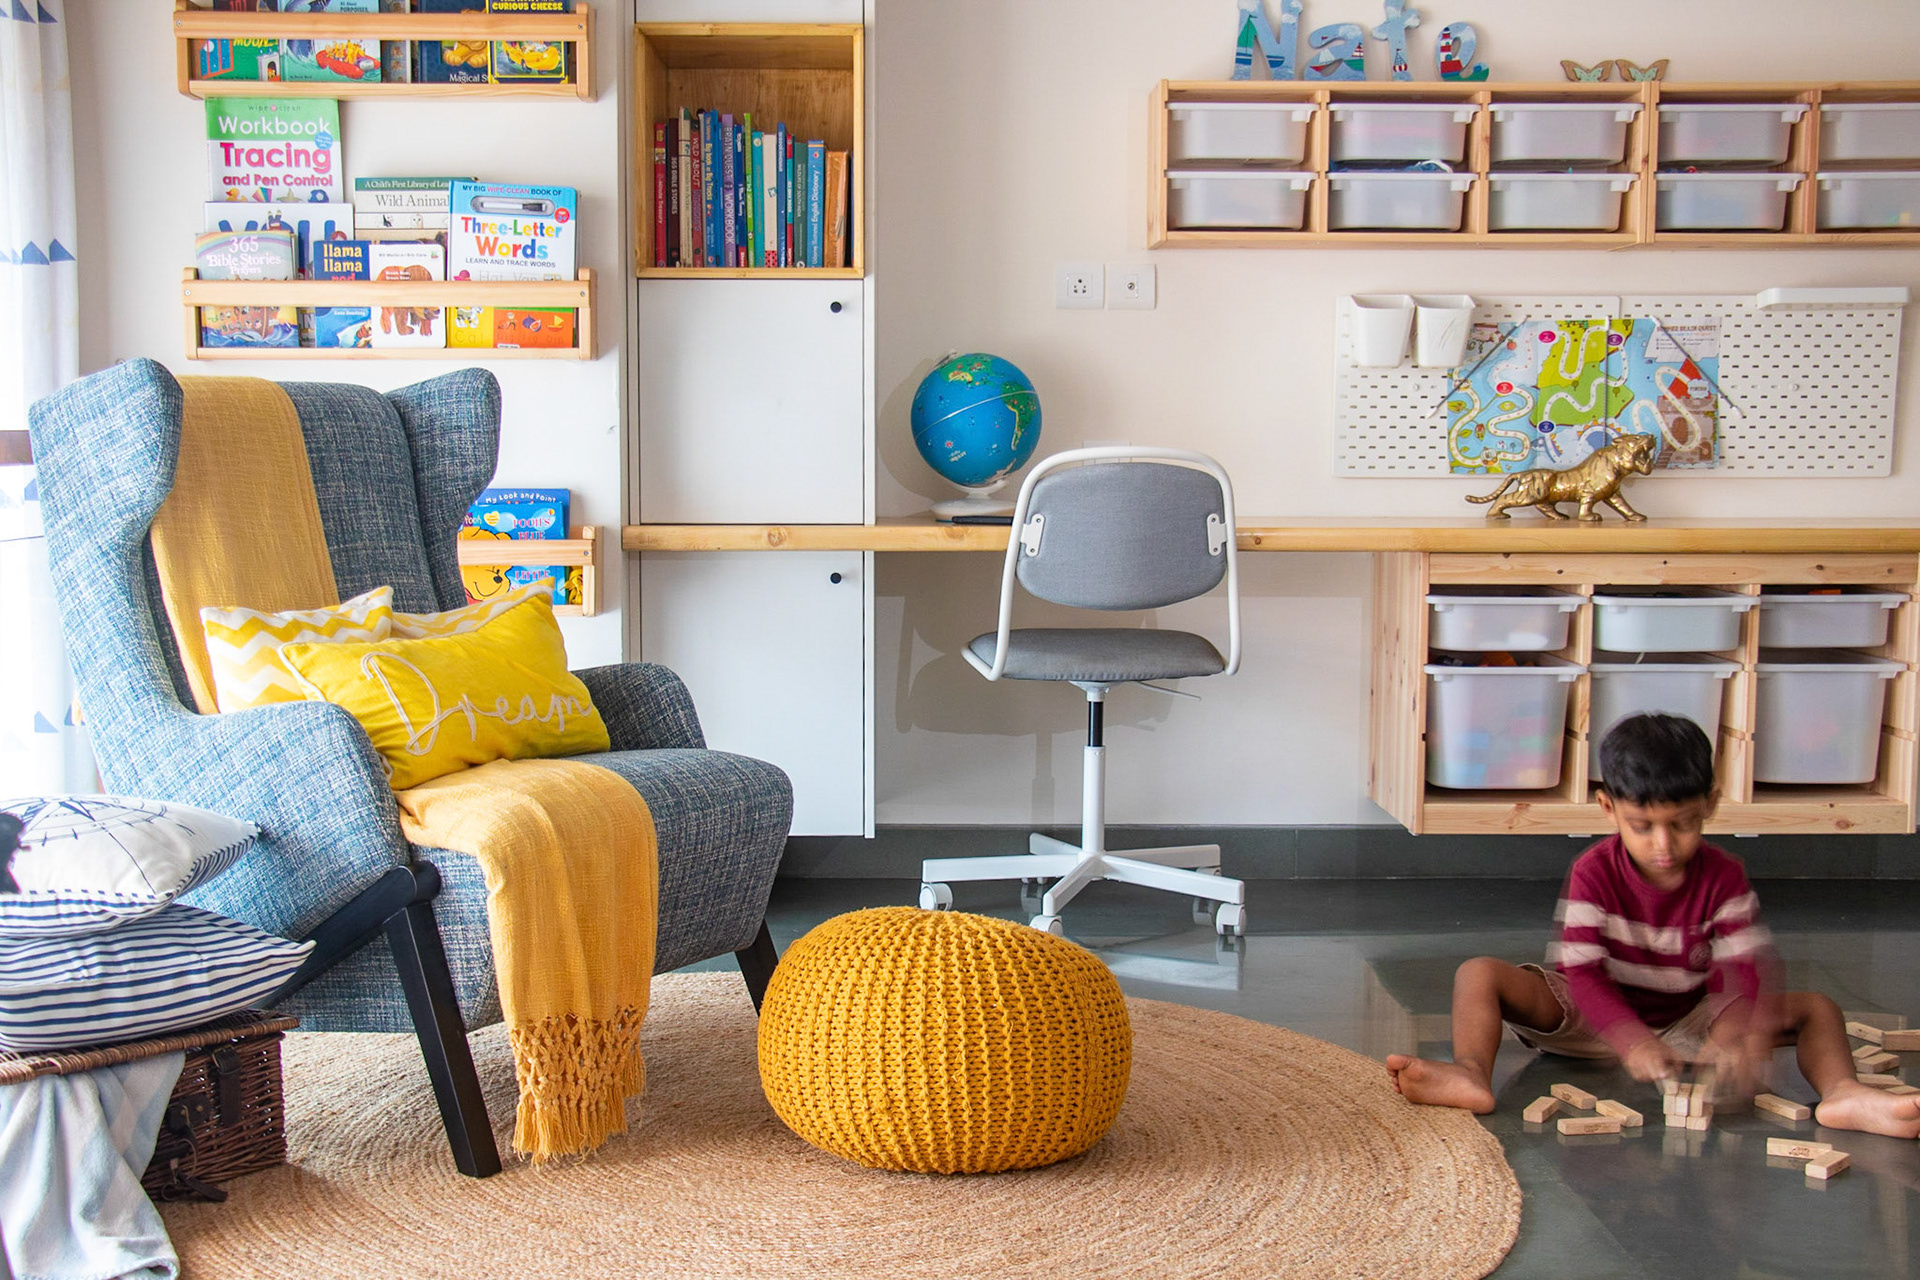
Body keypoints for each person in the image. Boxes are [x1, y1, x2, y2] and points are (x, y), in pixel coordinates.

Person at [1385, 712, 1920, 1139]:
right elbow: (1584, 975)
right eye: (1642, 827)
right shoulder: (1593, 872)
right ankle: (1471, 1073)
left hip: (1689, 1021)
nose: (1663, 846)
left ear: (1710, 805)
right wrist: (1630, 1039)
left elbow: (1747, 969)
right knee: (1478, 972)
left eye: (1682, 825)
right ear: (1607, 808)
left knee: (1817, 1007)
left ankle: (1842, 1093)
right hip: (1592, 1017)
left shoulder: (1725, 876)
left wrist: (1736, 1036)